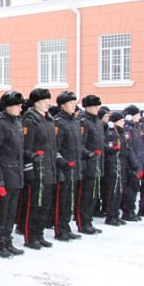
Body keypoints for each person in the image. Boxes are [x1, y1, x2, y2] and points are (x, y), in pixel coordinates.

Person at [0, 91, 26, 258]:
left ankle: (8, 240)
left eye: (20, 105)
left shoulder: (17, 123)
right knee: (1, 212)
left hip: (16, 174)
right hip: (4, 174)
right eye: (16, 105)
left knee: (11, 212)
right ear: (8, 106)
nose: (19, 108)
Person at [21, 88, 63, 250]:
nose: (48, 104)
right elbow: (25, 148)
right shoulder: (30, 120)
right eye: (45, 101)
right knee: (34, 205)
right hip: (37, 169)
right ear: (36, 102)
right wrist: (30, 166)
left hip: (49, 168)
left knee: (45, 204)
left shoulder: (48, 120)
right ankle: (30, 236)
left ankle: (39, 234)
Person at [53, 91, 83, 241]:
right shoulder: (58, 122)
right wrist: (62, 163)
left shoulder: (75, 122)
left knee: (70, 201)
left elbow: (78, 146)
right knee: (62, 201)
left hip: (75, 168)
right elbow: (55, 148)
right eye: (70, 103)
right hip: (64, 169)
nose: (74, 106)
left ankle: (66, 227)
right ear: (63, 105)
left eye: (74, 103)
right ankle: (60, 229)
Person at [77, 95, 104, 235]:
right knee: (85, 196)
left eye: (98, 106)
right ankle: (82, 222)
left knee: (93, 195)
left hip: (98, 164)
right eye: (95, 106)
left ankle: (88, 221)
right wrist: (90, 154)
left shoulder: (97, 122)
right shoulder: (83, 122)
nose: (97, 108)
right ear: (87, 107)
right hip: (88, 164)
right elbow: (80, 145)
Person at [102, 112, 127, 226]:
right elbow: (109, 149)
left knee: (119, 192)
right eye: (121, 120)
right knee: (113, 192)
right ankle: (111, 216)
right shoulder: (111, 134)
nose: (123, 122)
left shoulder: (120, 133)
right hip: (114, 166)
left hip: (120, 165)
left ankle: (116, 214)